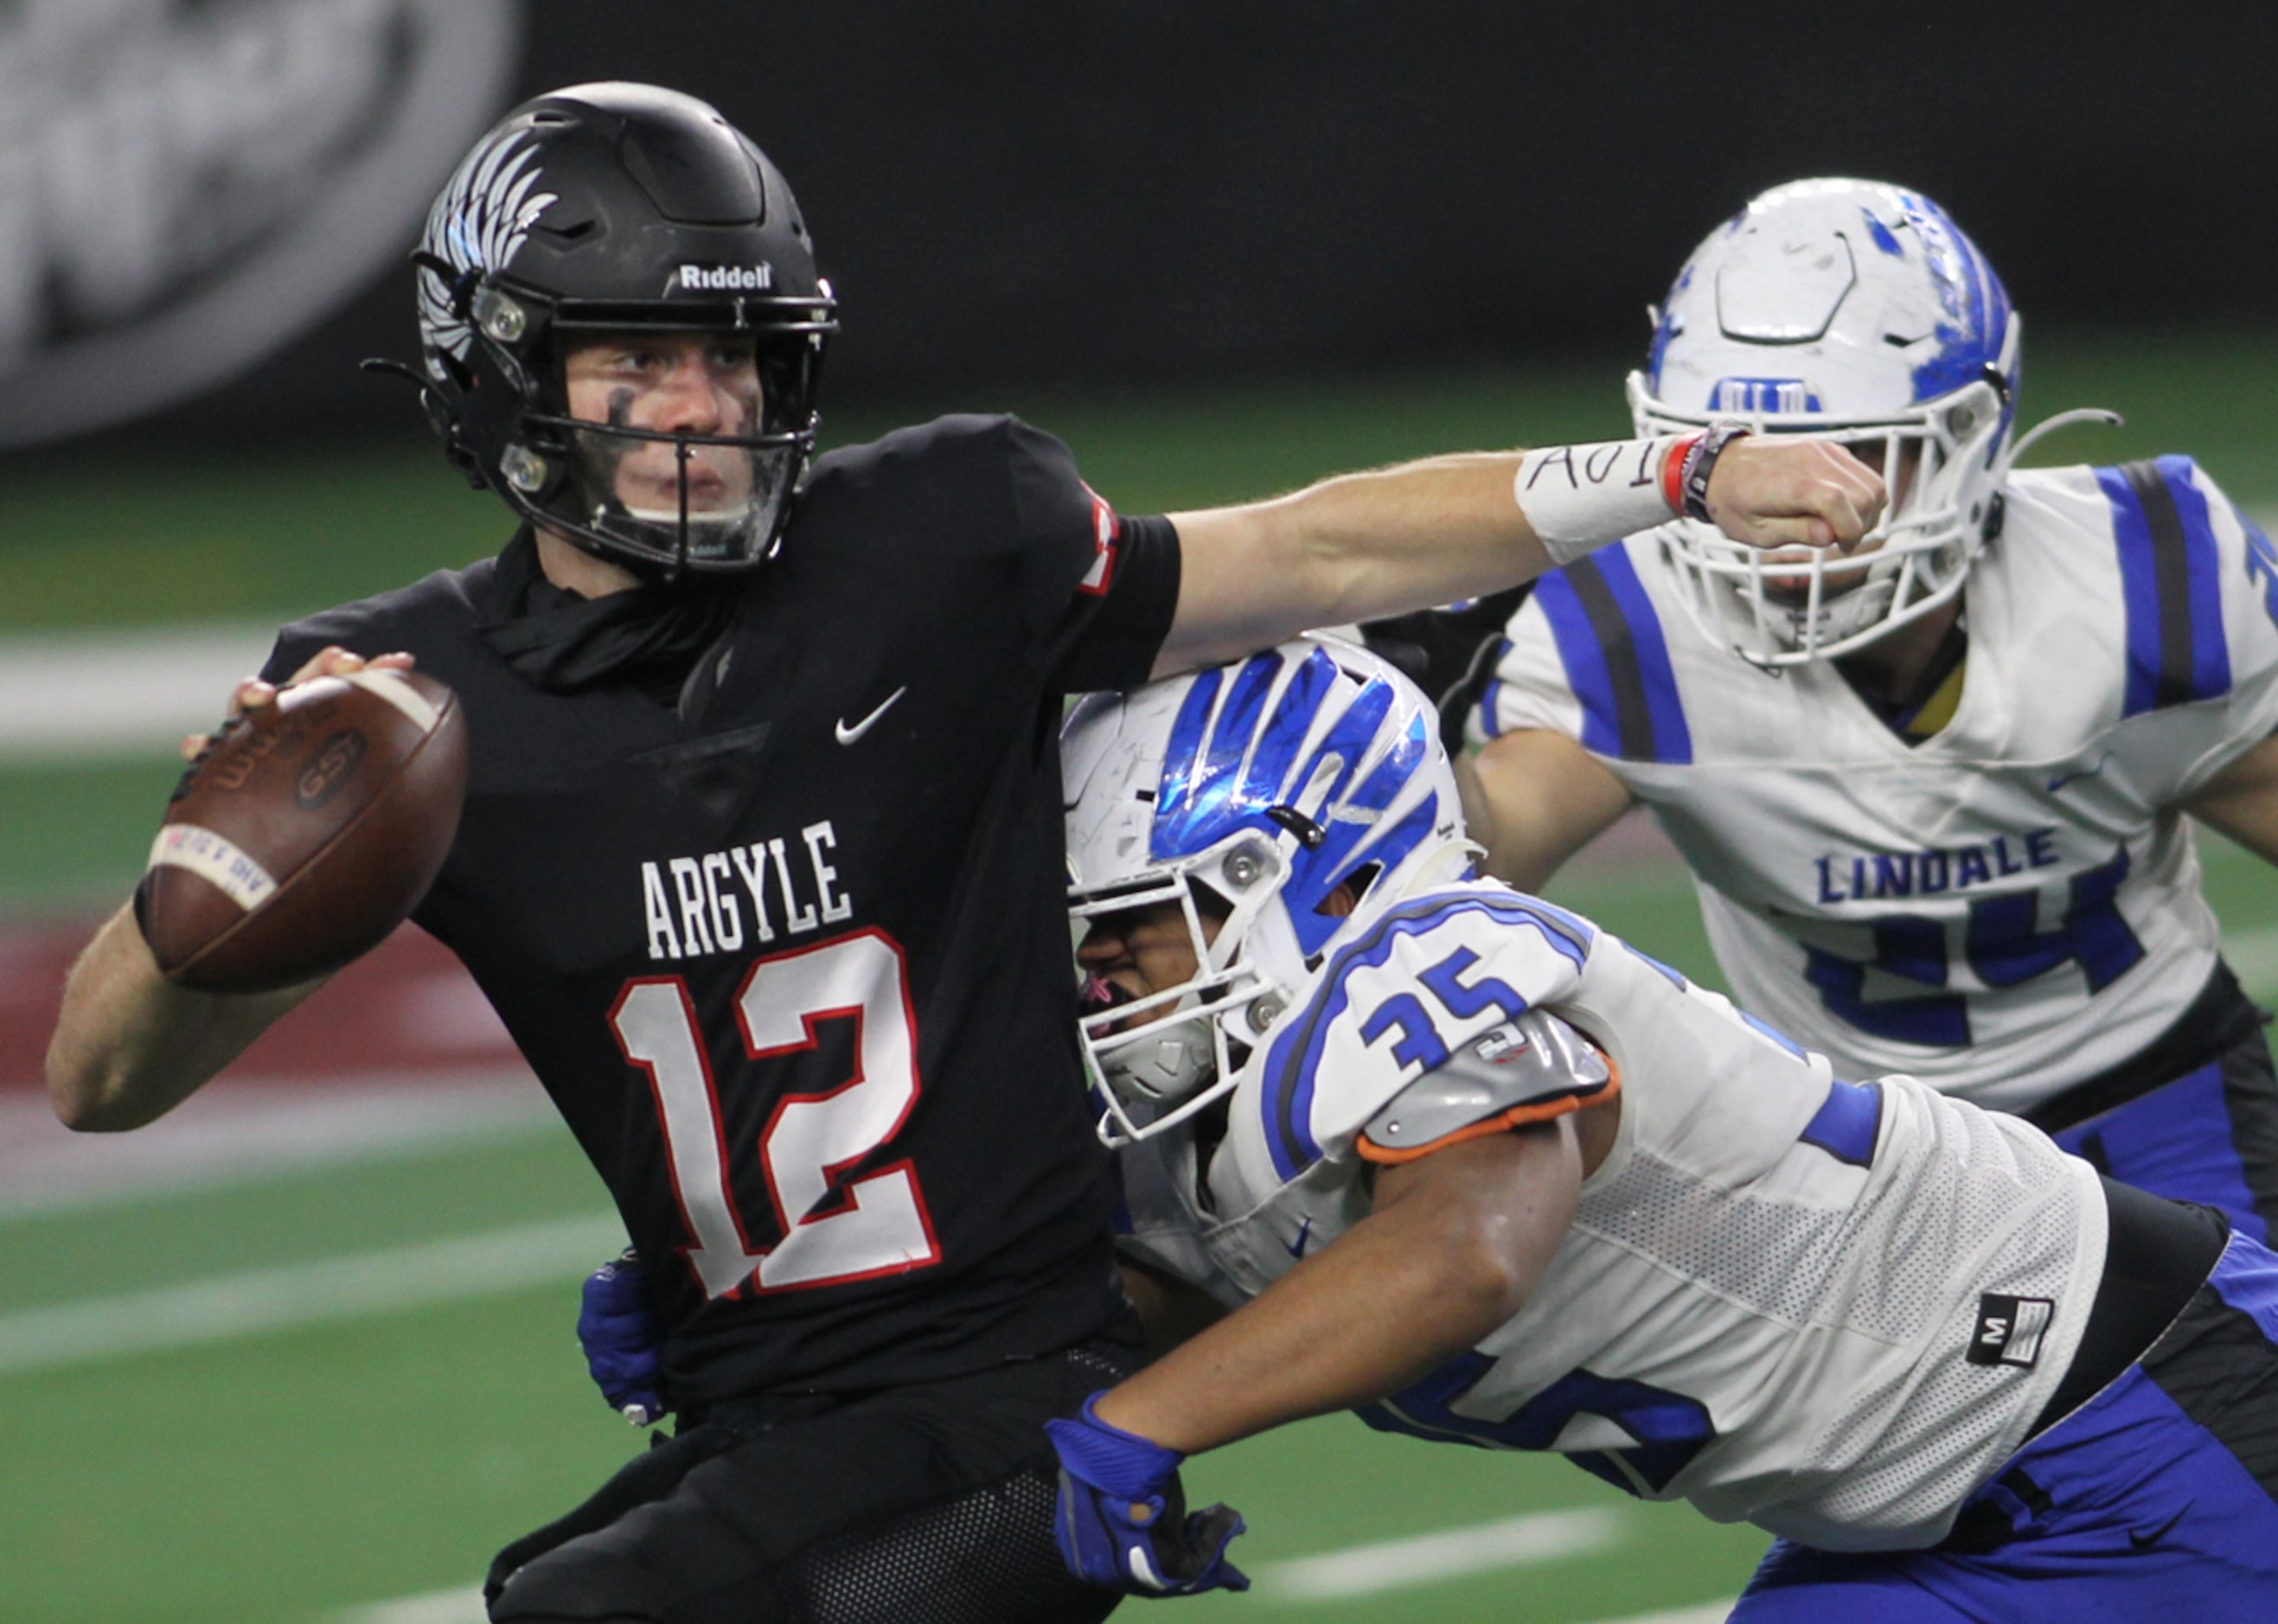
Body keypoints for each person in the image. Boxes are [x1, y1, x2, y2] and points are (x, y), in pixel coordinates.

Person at [42, 85, 1880, 1624]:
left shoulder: (936, 538)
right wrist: (220, 879)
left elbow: (1317, 551)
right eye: (637, 359)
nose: (698, 410)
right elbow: (106, 1080)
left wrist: (1678, 474)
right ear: (502, 369)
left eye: (734, 356)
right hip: (760, 1410)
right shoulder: (402, 709)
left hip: (1020, 1380)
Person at [1046, 636, 2278, 1617]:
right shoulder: (1227, 1106)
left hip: (2140, 1407)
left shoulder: (1428, 967)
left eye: (1139, 920)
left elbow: (1463, 1249)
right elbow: (1181, 1287)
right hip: (1922, 1507)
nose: (1099, 972)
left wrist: (1141, 1426)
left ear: (1334, 877)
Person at [1452, 177, 2278, 1240]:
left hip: (2159, 1096)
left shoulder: (2143, 578)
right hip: (1858, 1144)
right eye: (1736, 460)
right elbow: (1474, 857)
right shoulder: (1625, 619)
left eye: (1856, 452)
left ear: (1969, 440)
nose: (1793, 510)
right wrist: (1409, 751)